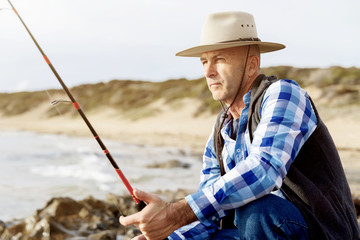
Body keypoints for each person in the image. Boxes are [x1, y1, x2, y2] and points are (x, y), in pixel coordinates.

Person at [120, 11, 360, 240]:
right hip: (261, 229)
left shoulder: (283, 94)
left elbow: (264, 170)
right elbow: (211, 213)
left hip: (321, 231)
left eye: (219, 60)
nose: (208, 71)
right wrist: (170, 234)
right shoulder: (220, 131)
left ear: (251, 65)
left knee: (257, 208)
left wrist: (176, 212)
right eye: (204, 61)